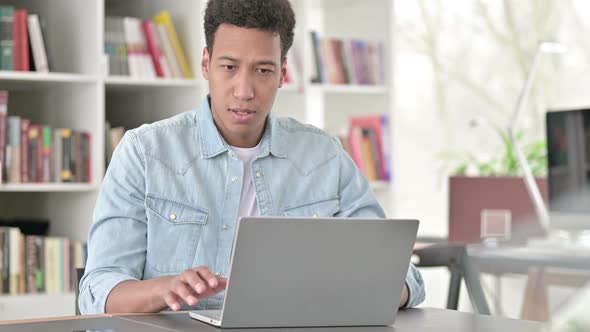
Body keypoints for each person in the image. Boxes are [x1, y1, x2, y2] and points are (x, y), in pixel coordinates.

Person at [79, 0, 425, 314]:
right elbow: (97, 292)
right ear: (206, 63)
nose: (244, 91)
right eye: (229, 67)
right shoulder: (144, 152)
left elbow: (401, 275)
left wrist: (353, 292)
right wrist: (163, 289)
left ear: (283, 73)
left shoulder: (325, 157)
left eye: (263, 71)